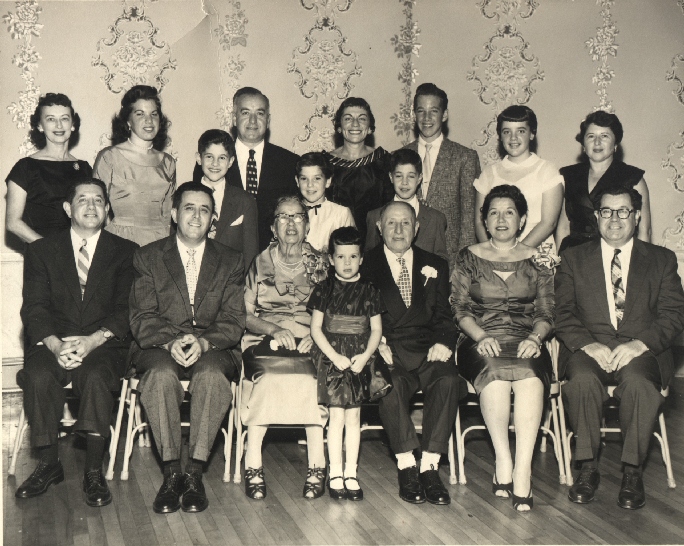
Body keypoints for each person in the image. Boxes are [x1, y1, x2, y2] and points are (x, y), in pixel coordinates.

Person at [556, 187, 684, 510]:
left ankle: (632, 472)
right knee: (582, 380)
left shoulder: (662, 260)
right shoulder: (573, 258)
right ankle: (588, 467)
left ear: (637, 216)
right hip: (589, 348)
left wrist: (641, 344)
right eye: (607, 211)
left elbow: (674, 315)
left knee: (639, 383)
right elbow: (562, 312)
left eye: (623, 211)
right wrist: (588, 344)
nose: (614, 219)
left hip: (642, 351)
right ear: (596, 216)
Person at [16, 178, 138, 507]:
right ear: (68, 208)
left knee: (96, 376)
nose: (91, 206)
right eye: (83, 200)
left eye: (98, 200)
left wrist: (93, 340)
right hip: (53, 340)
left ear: (107, 209)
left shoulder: (126, 252)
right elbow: (34, 307)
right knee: (39, 375)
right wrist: (56, 345)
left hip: (103, 343)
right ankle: (49, 464)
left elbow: (127, 308)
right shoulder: (42, 250)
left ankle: (93, 470)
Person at [129, 182, 244, 514]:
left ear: (213, 219)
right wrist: (170, 341)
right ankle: (171, 472)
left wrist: (205, 342)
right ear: (174, 213)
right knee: (160, 376)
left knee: (211, 376)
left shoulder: (230, 260)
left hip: (214, 345)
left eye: (204, 210)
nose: (196, 216)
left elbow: (234, 318)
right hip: (159, 343)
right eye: (189, 208)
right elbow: (142, 315)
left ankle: (194, 472)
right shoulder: (148, 256)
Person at [451, 184, 555, 512]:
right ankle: (503, 459)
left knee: (530, 379)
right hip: (478, 339)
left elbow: (546, 313)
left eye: (509, 212)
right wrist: (481, 337)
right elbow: (460, 309)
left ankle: (523, 470)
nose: (501, 219)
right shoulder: (468, 257)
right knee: (494, 377)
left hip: (527, 340)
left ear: (522, 220)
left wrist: (535, 339)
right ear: (484, 220)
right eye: (493, 212)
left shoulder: (538, 260)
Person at [360, 201, 461, 506]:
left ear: (416, 228)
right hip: (387, 349)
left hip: (428, 349)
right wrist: (374, 341)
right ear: (380, 228)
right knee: (387, 386)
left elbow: (444, 316)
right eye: (391, 223)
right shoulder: (364, 264)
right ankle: (407, 466)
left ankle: (429, 466)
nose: (398, 230)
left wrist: (443, 341)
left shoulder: (435, 264)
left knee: (448, 380)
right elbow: (354, 315)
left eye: (406, 223)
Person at [241, 195, 329, 500]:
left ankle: (317, 462)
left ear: (307, 225)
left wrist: (317, 335)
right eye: (283, 217)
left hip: (310, 339)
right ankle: (253, 460)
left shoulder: (321, 262)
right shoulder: (259, 262)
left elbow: (333, 311)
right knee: (268, 378)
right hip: (265, 338)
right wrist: (274, 330)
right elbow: (244, 315)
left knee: (311, 378)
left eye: (297, 217)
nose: (291, 223)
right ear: (273, 227)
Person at [308, 227, 385, 501]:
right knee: (336, 417)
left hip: (358, 357)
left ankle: (351, 473)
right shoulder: (324, 289)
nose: (347, 263)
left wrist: (364, 357)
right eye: (341, 257)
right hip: (333, 356)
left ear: (361, 258)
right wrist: (334, 357)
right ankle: (335, 473)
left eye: (353, 256)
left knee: (354, 418)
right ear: (331, 259)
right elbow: (316, 329)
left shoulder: (369, 290)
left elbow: (376, 330)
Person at [193, 87, 300, 252]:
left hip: (276, 255)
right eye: (245, 113)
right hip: (225, 256)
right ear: (234, 118)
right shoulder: (213, 163)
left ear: (268, 120)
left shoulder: (289, 162)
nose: (252, 121)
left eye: (260, 113)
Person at [404, 83, 481, 271]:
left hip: (450, 258)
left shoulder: (465, 157)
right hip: (407, 255)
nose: (427, 118)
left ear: (444, 115)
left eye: (434, 111)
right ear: (414, 115)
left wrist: (463, 268)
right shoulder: (399, 156)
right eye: (421, 111)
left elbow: (469, 218)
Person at [556, 110, 652, 251]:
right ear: (583, 145)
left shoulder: (633, 178)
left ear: (615, 144)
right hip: (574, 255)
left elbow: (645, 231)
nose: (597, 142)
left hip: (614, 254)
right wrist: (560, 261)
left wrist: (639, 263)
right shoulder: (569, 175)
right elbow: (563, 227)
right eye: (591, 136)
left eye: (604, 136)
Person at [94, 85, 176, 246]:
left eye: (154, 114)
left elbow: (168, 215)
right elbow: (97, 207)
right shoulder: (109, 157)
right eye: (140, 114)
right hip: (120, 241)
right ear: (128, 121)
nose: (149, 120)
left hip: (160, 242)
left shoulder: (168, 162)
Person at [5, 93, 93, 243]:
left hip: (80, 250)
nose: (59, 125)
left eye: (64, 118)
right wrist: (49, 250)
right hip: (42, 252)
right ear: (40, 126)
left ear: (72, 124)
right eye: (51, 119)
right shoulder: (25, 167)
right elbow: (13, 223)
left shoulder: (84, 168)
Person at [474, 105, 564, 251]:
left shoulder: (547, 171)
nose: (513, 138)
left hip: (537, 253)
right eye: (506, 132)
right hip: (496, 255)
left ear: (532, 134)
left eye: (521, 131)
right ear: (500, 136)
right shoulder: (488, 174)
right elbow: (479, 222)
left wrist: (515, 254)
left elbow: (548, 223)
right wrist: (492, 254)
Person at [324, 97, 394, 242]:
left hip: (376, 241)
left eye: (362, 118)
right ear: (339, 127)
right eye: (348, 118)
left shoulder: (384, 161)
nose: (355, 124)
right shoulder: (324, 163)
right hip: (334, 242)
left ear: (370, 128)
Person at [366, 148, 448, 261]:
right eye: (399, 176)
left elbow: (442, 261)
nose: (404, 182)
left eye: (411, 176)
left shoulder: (436, 219)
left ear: (419, 178)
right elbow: (369, 259)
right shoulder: (375, 216)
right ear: (391, 177)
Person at [194, 128, 259, 268]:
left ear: (230, 161)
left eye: (222, 158)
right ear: (199, 158)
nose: (215, 163)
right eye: (209, 157)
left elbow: (250, 255)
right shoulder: (185, 197)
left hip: (231, 279)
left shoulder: (244, 201)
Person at [297, 151, 355, 253]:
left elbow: (349, 250)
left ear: (328, 181)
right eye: (304, 179)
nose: (310, 185)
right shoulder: (291, 212)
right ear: (297, 181)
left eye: (317, 178)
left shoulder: (341, 213)